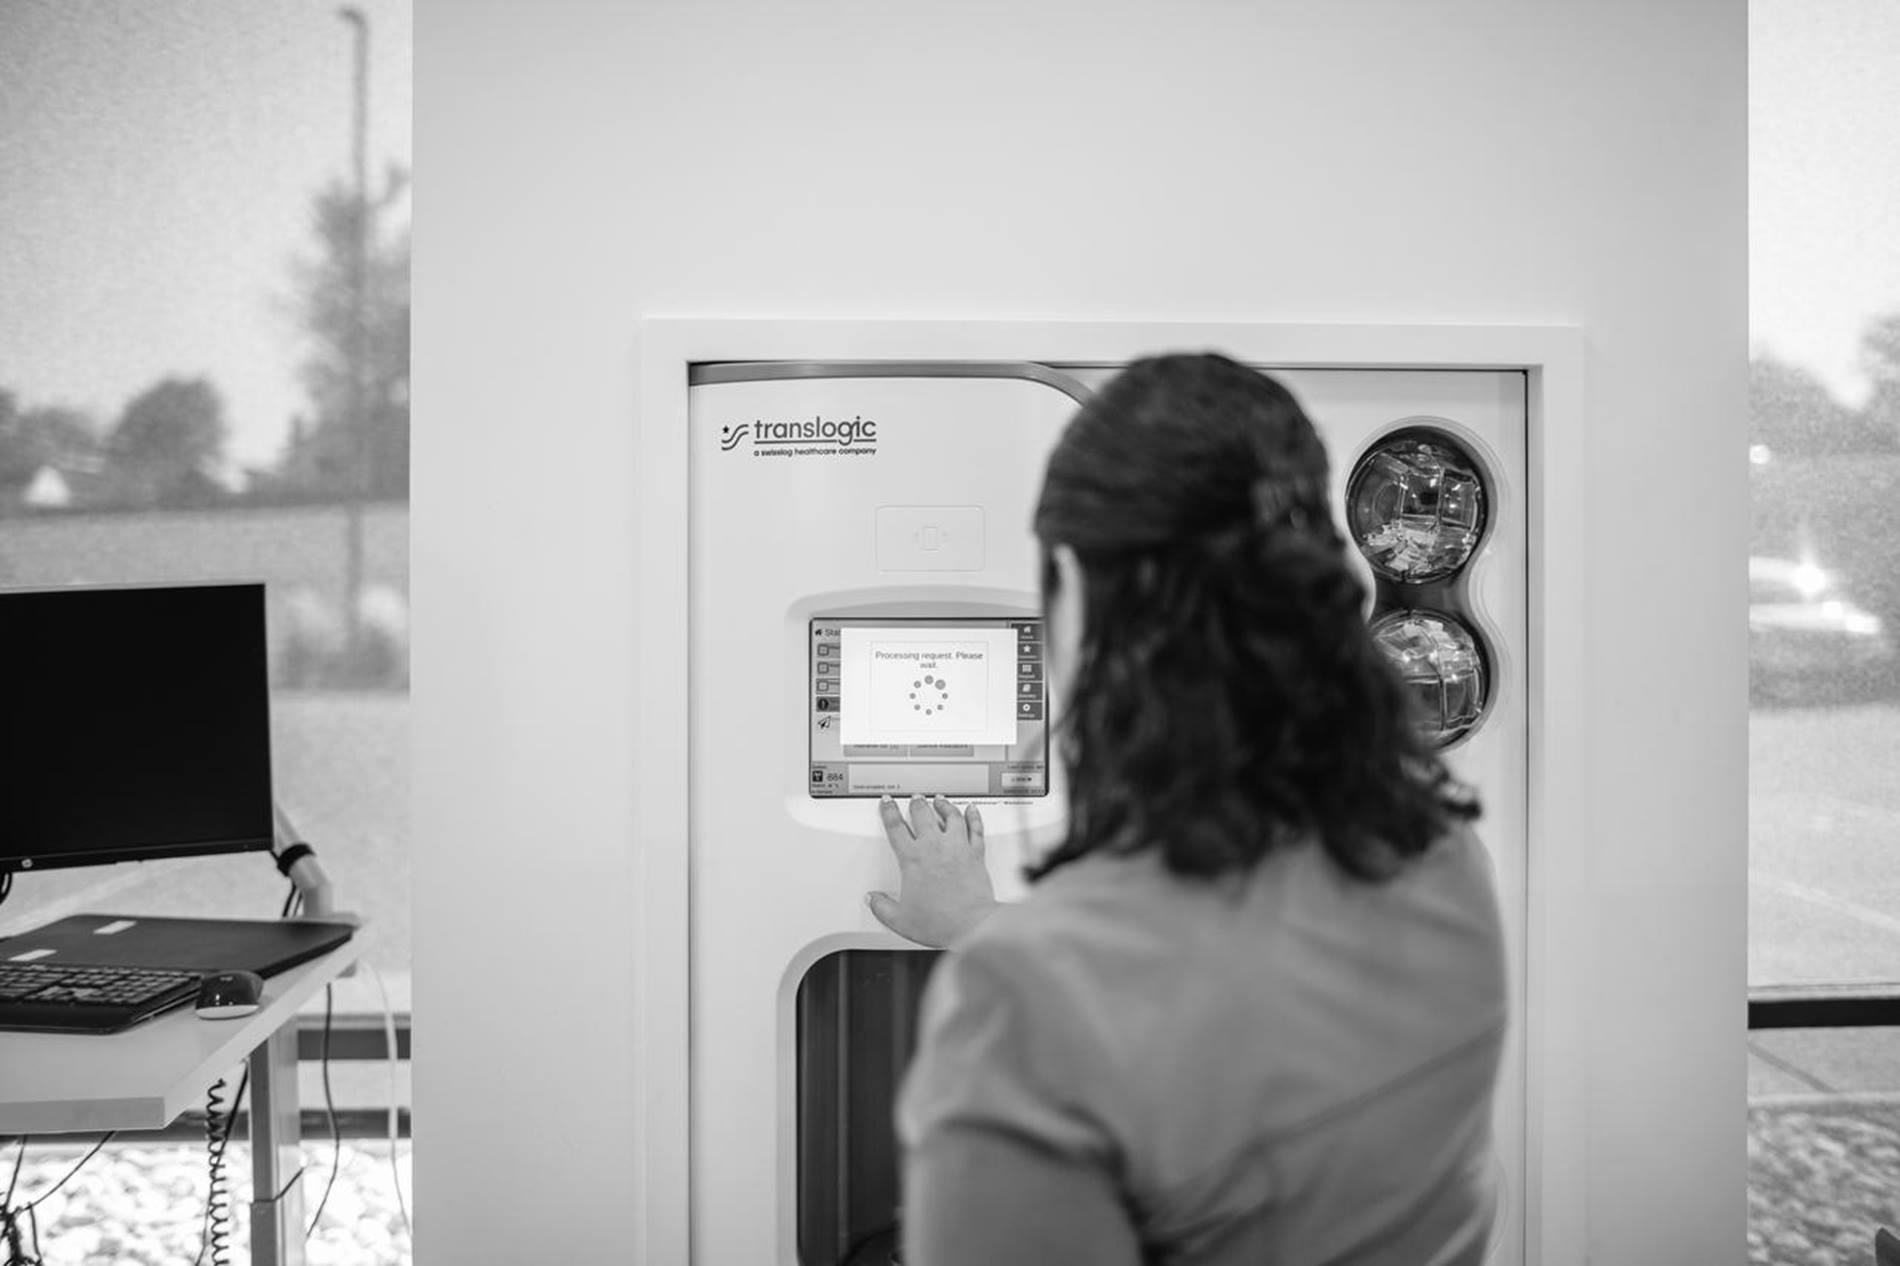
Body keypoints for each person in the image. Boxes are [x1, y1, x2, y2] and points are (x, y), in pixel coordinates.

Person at [866, 352, 1508, 1266]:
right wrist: (981, 923)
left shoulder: (1024, 1007)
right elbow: (1229, 997)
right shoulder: (1443, 861)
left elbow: (1148, 1000)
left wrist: (987, 937)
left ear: (1078, 593)